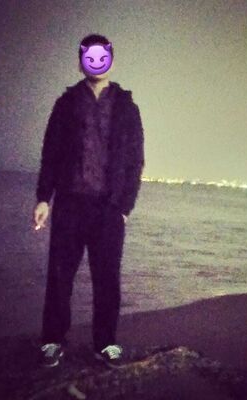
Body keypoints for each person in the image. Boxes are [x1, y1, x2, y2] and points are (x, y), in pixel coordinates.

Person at [32, 33, 145, 369]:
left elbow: (135, 160)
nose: (96, 63)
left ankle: (106, 343)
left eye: (102, 56)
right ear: (80, 62)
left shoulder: (127, 107)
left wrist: (125, 207)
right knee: (60, 276)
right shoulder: (66, 104)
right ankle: (52, 340)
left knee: (107, 278)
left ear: (111, 59)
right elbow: (50, 153)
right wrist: (43, 198)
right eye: (89, 57)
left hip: (108, 208)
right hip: (69, 203)